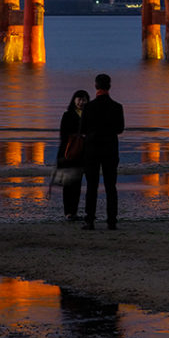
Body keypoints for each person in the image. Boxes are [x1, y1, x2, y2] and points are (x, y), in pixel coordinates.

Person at [82, 74, 124, 231]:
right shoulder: (117, 107)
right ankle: (111, 221)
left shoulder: (88, 107)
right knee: (110, 187)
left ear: (95, 86)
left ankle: (89, 221)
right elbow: (120, 129)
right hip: (110, 150)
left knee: (91, 186)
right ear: (110, 87)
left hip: (92, 150)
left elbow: (82, 130)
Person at [57, 89, 89, 221]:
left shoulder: (88, 115)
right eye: (79, 99)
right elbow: (63, 135)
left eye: (84, 99)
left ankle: (74, 212)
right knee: (68, 184)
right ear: (74, 100)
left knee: (77, 184)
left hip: (83, 154)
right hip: (69, 153)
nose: (81, 102)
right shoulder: (68, 115)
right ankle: (68, 212)